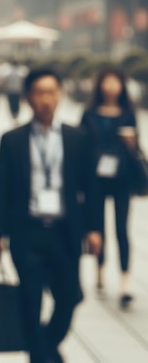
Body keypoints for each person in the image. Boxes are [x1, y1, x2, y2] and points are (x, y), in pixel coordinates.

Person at [0, 68, 103, 363]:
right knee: (30, 301)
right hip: (27, 231)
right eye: (39, 93)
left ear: (60, 96)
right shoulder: (12, 140)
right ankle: (41, 357)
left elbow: (92, 188)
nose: (46, 100)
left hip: (65, 232)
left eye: (51, 92)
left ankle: (47, 346)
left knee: (69, 297)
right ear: (28, 97)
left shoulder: (78, 137)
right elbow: (2, 188)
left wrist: (95, 229)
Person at [80, 66, 138, 309]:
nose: (111, 86)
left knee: (122, 229)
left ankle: (125, 280)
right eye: (107, 82)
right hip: (96, 179)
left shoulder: (128, 113)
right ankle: (100, 272)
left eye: (115, 82)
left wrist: (131, 144)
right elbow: (80, 145)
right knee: (98, 227)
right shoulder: (89, 113)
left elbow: (137, 148)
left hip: (121, 178)